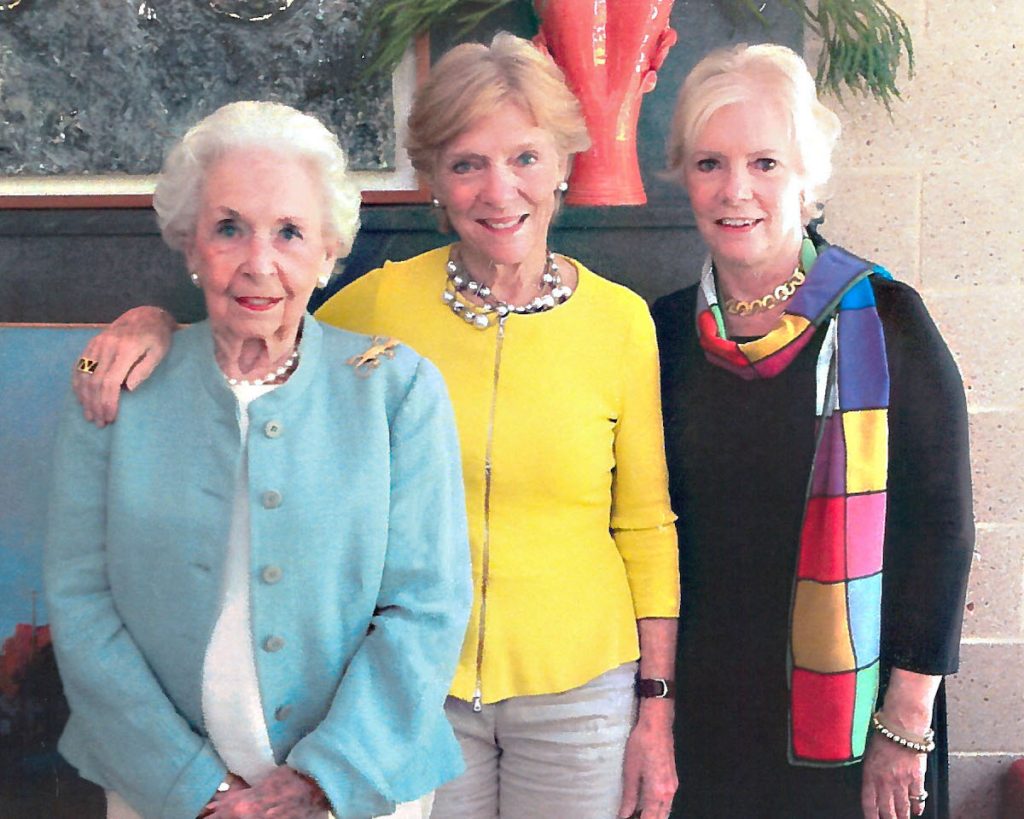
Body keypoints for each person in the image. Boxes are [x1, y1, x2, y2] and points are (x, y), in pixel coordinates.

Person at [70, 34, 680, 819]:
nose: (501, 190)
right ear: (433, 180)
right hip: (410, 696)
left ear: (564, 162)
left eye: (526, 157)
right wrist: (148, 321)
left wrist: (654, 711)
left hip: (581, 690)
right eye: (467, 163)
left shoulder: (620, 321)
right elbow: (255, 335)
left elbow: (646, 525)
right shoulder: (376, 307)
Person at [45, 100, 472, 819]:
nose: (259, 263)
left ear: (330, 250)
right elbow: (80, 602)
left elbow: (426, 606)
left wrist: (319, 779)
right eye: (229, 229)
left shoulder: (397, 389)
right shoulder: (113, 383)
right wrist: (193, 787)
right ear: (189, 243)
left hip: (354, 789)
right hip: (159, 788)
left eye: (290, 232)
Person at [653, 44, 974, 819]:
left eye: (765, 162)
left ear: (807, 177)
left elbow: (943, 531)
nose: (736, 190)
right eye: (709, 164)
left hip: (856, 723)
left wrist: (905, 721)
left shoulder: (888, 321)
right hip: (704, 716)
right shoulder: (657, 333)